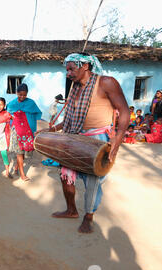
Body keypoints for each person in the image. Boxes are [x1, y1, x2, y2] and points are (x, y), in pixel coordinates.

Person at [37, 52, 130, 234]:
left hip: (96, 140)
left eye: (71, 68)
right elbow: (69, 119)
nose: (68, 73)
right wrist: (52, 130)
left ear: (85, 66)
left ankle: (89, 217)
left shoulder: (106, 83)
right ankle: (71, 210)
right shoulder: (75, 88)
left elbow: (124, 111)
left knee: (92, 182)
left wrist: (116, 142)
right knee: (66, 175)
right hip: (73, 136)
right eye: (67, 69)